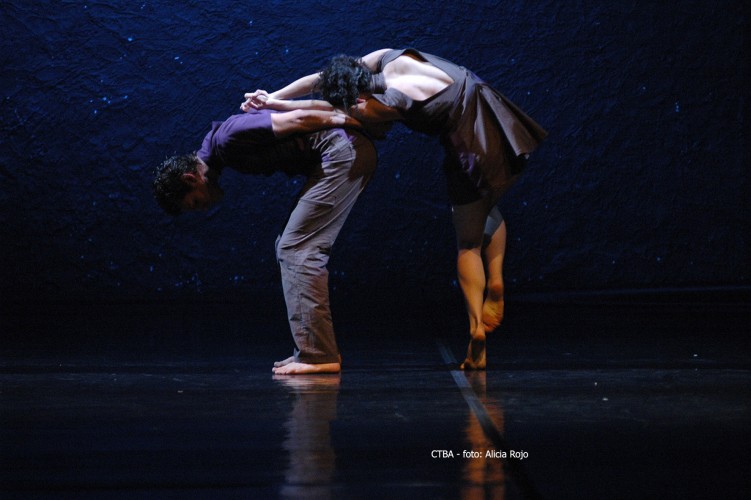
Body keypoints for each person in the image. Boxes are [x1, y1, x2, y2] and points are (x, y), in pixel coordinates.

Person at [242, 48, 547, 370]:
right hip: (499, 122)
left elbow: (325, 110)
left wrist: (277, 104)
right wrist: (272, 95)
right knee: (490, 205)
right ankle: (496, 283)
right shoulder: (390, 56)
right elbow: (322, 79)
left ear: (357, 94)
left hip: (471, 148)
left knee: (468, 244)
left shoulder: (389, 103)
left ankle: (475, 334)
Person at [153, 107, 377, 375]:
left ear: (191, 178)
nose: (204, 208)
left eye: (197, 202)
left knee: (295, 248)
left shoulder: (226, 138)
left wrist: (349, 119)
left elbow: (298, 116)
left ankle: (317, 355)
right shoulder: (216, 147)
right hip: (339, 154)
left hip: (341, 153)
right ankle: (313, 349)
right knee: (289, 244)